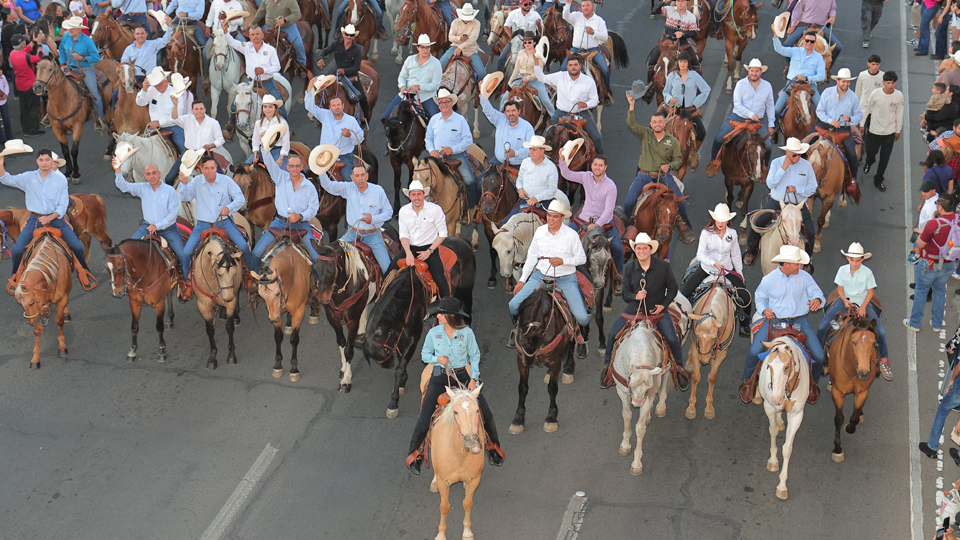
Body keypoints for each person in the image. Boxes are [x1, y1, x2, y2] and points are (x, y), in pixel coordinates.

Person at [405, 296, 503, 475]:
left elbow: (474, 356)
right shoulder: (434, 333)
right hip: (439, 377)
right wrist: (436, 359)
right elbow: (425, 353)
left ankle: (492, 447)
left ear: (450, 316)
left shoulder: (467, 333)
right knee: (424, 417)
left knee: (485, 412)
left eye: (441, 314)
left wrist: (473, 379)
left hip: (462, 376)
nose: (438, 316)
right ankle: (415, 454)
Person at [1, 148, 97, 289]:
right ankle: (16, 276)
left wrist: (50, 218)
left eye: (47, 160)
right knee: (17, 250)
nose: (44, 163)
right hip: (35, 219)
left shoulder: (60, 179)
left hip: (56, 219)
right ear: (37, 162)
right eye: (41, 160)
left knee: (77, 245)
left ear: (52, 161)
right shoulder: (28, 177)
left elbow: (63, 205)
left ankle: (83, 272)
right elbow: (6, 179)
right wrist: (1, 162)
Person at [601, 233, 685, 389]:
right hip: (634, 309)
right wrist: (636, 295)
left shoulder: (663, 266)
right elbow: (625, 294)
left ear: (651, 249)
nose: (641, 251)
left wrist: (663, 305)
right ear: (635, 250)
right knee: (612, 335)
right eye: (638, 248)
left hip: (656, 310)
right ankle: (608, 368)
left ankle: (679, 368)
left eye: (644, 248)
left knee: (673, 339)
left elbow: (673, 289)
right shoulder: (629, 268)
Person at [507, 199, 590, 357]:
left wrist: (563, 261)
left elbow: (582, 259)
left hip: (565, 278)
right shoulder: (540, 232)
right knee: (513, 305)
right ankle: (518, 328)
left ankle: (581, 338)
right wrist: (522, 280)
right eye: (549, 216)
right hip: (540, 276)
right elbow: (532, 257)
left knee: (582, 317)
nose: (551, 219)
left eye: (555, 217)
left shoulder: (571, 235)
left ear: (561, 218)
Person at [742, 245, 825, 391]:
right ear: (786, 264)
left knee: (819, 356)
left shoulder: (805, 277)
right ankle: (748, 382)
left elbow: (818, 294)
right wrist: (764, 310)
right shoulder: (769, 279)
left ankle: (812, 385)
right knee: (754, 351)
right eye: (796, 263)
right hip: (775, 321)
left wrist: (817, 300)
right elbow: (760, 298)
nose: (800, 266)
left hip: (800, 321)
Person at [815, 242, 890, 379]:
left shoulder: (868, 273)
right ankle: (820, 357)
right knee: (822, 326)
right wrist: (844, 301)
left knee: (881, 331)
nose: (854, 263)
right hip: (844, 302)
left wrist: (862, 307)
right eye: (852, 260)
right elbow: (839, 289)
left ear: (862, 259)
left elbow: (870, 292)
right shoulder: (842, 270)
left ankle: (884, 360)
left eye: (857, 260)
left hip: (863, 303)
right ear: (847, 259)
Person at [680, 203, 752, 337]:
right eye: (719, 219)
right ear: (714, 219)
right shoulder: (706, 233)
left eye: (724, 220)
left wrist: (740, 273)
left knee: (745, 296)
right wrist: (714, 263)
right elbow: (700, 254)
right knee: (684, 293)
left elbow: (736, 255)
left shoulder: (732, 234)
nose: (721, 223)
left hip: (727, 270)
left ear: (728, 220)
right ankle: (683, 320)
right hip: (707, 269)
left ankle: (744, 324)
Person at [623, 100, 693, 235]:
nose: (657, 124)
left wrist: (670, 166)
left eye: (660, 122)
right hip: (644, 176)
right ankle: (625, 228)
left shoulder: (672, 141)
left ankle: (685, 229)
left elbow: (678, 160)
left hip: (664, 176)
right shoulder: (645, 134)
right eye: (654, 122)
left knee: (682, 203)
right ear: (651, 124)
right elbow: (631, 124)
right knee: (629, 202)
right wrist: (631, 106)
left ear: (664, 124)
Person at [743, 137, 819, 263]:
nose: (798, 158)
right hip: (777, 202)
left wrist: (797, 189)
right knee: (757, 222)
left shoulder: (806, 166)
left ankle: (808, 259)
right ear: (787, 153)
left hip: (797, 205)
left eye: (799, 154)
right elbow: (770, 184)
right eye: (794, 155)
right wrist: (783, 169)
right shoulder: (776, 163)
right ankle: (752, 249)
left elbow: (813, 187)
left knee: (810, 231)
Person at [178, 155, 251, 284]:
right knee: (186, 252)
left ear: (216, 168)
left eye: (212, 168)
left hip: (225, 222)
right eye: (206, 168)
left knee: (243, 246)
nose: (210, 171)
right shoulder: (196, 181)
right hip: (202, 224)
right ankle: (187, 282)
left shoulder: (226, 181)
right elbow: (185, 197)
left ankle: (250, 275)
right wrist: (183, 184)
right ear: (201, 169)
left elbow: (240, 199)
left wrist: (229, 207)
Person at [112, 156, 186, 277]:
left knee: (183, 255)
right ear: (145, 176)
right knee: (127, 251)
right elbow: (124, 187)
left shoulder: (169, 191)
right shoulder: (142, 188)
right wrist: (118, 171)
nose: (152, 176)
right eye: (148, 174)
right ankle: (129, 280)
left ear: (159, 174)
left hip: (167, 229)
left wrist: (157, 226)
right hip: (146, 227)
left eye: (154, 173)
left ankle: (186, 280)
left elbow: (173, 214)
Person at [318, 159, 393, 272]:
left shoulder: (378, 190)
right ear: (352, 178)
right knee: (333, 257)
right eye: (357, 175)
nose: (360, 178)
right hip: (352, 233)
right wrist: (321, 170)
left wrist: (373, 219)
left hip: (372, 235)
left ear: (367, 176)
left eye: (363, 175)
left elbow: (389, 212)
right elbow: (329, 186)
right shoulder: (348, 188)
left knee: (387, 268)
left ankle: (386, 288)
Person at [252, 152, 320, 270]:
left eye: (297, 166)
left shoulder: (309, 187)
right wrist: (264, 146)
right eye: (291, 166)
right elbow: (269, 162)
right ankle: (255, 281)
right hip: (279, 222)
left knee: (316, 257)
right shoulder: (280, 177)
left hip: (301, 225)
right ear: (287, 167)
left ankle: (316, 283)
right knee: (256, 253)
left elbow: (314, 209)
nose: (294, 169)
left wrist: (300, 216)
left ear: (301, 167)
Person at [559, 154, 622, 280]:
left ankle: (619, 276)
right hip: (583, 219)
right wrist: (562, 160)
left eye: (600, 165)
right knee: (564, 240)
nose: (597, 168)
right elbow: (567, 174)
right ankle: (561, 271)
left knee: (618, 248)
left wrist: (597, 224)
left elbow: (608, 210)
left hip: (604, 223)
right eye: (595, 164)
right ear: (592, 165)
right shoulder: (585, 176)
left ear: (605, 167)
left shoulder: (611, 186)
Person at [905, 194, 959, 333]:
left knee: (921, 291)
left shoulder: (934, 223)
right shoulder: (958, 220)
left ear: (940, 207)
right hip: (948, 264)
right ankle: (936, 324)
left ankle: (915, 323)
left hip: (930, 263)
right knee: (940, 292)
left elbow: (920, 243)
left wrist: (917, 240)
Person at [388, 180, 450, 298]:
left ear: (423, 194)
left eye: (419, 194)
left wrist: (430, 251)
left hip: (428, 249)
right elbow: (404, 235)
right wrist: (408, 253)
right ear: (409, 196)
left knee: (440, 281)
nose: (417, 197)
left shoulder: (435, 209)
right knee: (387, 276)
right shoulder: (404, 211)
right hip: (408, 248)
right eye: (413, 194)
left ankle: (447, 310)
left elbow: (443, 233)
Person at [708, 58, 775, 164]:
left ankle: (764, 169)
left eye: (756, 71)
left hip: (758, 121)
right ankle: (713, 160)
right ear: (748, 71)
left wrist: (771, 124)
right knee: (719, 138)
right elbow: (737, 104)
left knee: (769, 146)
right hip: (738, 117)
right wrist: (751, 114)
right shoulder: (740, 84)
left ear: (761, 72)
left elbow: (770, 106)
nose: (754, 73)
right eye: (752, 71)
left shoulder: (767, 86)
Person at [535, 55, 603, 154]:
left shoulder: (588, 81)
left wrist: (586, 104)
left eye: (575, 65)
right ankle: (540, 159)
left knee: (596, 137)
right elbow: (541, 78)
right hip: (560, 112)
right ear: (567, 67)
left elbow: (595, 100)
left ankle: (600, 161)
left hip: (581, 113)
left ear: (580, 66)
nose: (573, 67)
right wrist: (536, 64)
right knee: (546, 136)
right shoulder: (560, 76)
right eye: (570, 65)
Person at [222, 21, 285, 118]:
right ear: (250, 37)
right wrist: (225, 31)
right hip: (249, 82)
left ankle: (287, 127)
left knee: (279, 105)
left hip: (267, 83)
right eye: (253, 35)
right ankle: (230, 127)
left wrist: (264, 70)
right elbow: (232, 42)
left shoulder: (270, 49)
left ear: (262, 35)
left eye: (257, 34)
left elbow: (277, 67)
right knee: (235, 105)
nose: (255, 36)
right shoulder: (246, 47)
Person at [426, 88, 477, 206]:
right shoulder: (434, 120)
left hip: (457, 156)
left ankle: (472, 208)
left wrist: (452, 149)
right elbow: (428, 138)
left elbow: (468, 140)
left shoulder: (460, 120)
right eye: (441, 102)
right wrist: (432, 150)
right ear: (438, 105)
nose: (444, 105)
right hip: (438, 157)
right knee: (425, 181)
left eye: (446, 102)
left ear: (451, 103)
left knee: (469, 181)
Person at [815, 68, 863, 182]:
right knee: (805, 144)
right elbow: (820, 111)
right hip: (824, 125)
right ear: (837, 81)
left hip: (843, 130)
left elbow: (859, 115)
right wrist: (831, 121)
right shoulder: (827, 92)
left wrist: (850, 119)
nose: (846, 84)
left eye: (847, 82)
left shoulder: (853, 97)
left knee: (852, 154)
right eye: (843, 81)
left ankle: (853, 181)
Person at [316, 24, 370, 122]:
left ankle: (365, 119)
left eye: (351, 35)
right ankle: (318, 115)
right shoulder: (336, 44)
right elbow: (325, 51)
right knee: (321, 90)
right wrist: (320, 58)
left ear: (354, 36)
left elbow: (356, 67)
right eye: (347, 34)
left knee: (361, 97)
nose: (349, 37)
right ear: (343, 34)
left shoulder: (357, 49)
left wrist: (344, 71)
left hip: (351, 76)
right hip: (336, 74)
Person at [58, 16, 105, 131]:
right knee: (56, 86)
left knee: (94, 93)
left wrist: (82, 58)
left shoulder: (88, 41)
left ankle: (100, 118)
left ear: (79, 29)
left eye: (72, 28)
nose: (70, 30)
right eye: (69, 28)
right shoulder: (66, 37)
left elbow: (96, 57)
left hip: (85, 69)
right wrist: (62, 64)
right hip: (68, 67)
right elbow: (61, 51)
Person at [860, 71, 903, 192]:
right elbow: (867, 109)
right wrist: (862, 124)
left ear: (896, 82)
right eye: (888, 83)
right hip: (874, 131)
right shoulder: (876, 93)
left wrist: (897, 130)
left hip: (889, 132)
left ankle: (878, 179)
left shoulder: (899, 96)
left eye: (892, 83)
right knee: (871, 152)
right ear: (883, 82)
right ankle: (869, 161)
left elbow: (899, 113)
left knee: (885, 158)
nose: (890, 85)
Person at [382, 34, 442, 119]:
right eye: (423, 47)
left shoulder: (436, 63)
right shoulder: (409, 59)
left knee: (436, 120)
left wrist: (420, 87)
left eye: (427, 47)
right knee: (386, 117)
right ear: (418, 48)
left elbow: (436, 85)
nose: (425, 50)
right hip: (406, 95)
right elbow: (402, 76)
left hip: (426, 97)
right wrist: (402, 86)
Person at [168, 95, 224, 185]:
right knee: (169, 178)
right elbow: (174, 119)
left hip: (205, 154)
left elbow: (220, 140)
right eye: (196, 109)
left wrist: (210, 145)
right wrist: (175, 105)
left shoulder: (213, 123)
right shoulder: (187, 119)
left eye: (201, 109)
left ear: (205, 109)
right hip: (188, 154)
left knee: (221, 180)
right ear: (192, 110)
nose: (199, 111)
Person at [136, 67, 183, 171]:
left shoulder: (176, 93)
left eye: (160, 84)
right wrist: (144, 89)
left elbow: (177, 116)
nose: (158, 87)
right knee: (139, 149)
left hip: (172, 127)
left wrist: (159, 122)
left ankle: (183, 172)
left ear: (166, 81)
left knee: (185, 150)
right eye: (156, 85)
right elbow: (140, 102)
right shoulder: (152, 90)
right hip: (153, 127)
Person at [772, 27, 826, 117]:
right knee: (776, 109)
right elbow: (780, 49)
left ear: (815, 43)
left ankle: (821, 130)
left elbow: (821, 76)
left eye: (812, 41)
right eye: (807, 40)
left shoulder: (818, 57)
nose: (809, 43)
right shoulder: (795, 51)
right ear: (803, 40)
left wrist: (806, 78)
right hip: (792, 84)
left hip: (809, 86)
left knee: (821, 110)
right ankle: (773, 130)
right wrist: (775, 36)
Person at [563, 0, 610, 102]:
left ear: (592, 6)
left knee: (604, 69)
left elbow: (605, 36)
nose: (585, 8)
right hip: (576, 50)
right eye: (583, 6)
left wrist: (593, 32)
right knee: (563, 68)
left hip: (593, 50)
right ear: (581, 7)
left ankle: (607, 92)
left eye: (587, 5)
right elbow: (565, 16)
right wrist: (567, 4)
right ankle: (559, 92)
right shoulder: (576, 16)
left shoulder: (599, 20)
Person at [304, 89, 363, 169]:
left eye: (338, 105)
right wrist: (309, 90)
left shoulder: (351, 120)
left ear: (343, 106)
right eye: (334, 105)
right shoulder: (325, 115)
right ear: (330, 108)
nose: (336, 107)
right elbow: (309, 107)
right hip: (324, 155)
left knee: (348, 180)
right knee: (307, 172)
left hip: (343, 156)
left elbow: (360, 139)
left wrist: (350, 135)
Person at [503, 135, 557, 221]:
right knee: (506, 224)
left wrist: (536, 198)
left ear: (542, 151)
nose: (531, 152)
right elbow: (519, 179)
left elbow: (552, 189)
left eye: (534, 150)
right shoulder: (525, 162)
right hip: (525, 201)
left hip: (543, 204)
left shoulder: (551, 167)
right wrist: (520, 189)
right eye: (530, 149)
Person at [479, 85, 535, 167]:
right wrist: (482, 93)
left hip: (518, 164)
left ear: (519, 111)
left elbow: (530, 149)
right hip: (498, 161)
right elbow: (488, 110)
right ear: (505, 112)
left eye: (513, 111)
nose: (511, 113)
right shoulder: (500, 119)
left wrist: (515, 153)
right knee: (482, 179)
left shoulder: (527, 127)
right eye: (508, 111)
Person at [661, 50, 710, 145]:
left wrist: (695, 103)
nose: (683, 64)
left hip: (689, 110)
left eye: (685, 62)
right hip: (673, 108)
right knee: (654, 127)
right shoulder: (672, 76)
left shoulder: (694, 76)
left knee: (701, 132)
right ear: (677, 63)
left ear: (688, 63)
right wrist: (670, 98)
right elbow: (666, 91)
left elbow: (706, 89)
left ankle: (694, 154)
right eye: (681, 62)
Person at [507, 30, 555, 117]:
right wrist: (510, 82)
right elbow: (516, 69)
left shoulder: (538, 54)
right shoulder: (521, 53)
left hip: (535, 80)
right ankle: (502, 118)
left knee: (546, 101)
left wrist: (528, 78)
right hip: (520, 78)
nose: (527, 44)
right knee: (506, 97)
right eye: (525, 42)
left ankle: (554, 118)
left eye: (529, 42)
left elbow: (539, 71)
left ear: (534, 43)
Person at [118, 24, 173, 96]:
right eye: (137, 34)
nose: (140, 36)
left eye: (142, 33)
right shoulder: (129, 49)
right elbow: (123, 64)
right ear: (134, 35)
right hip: (134, 79)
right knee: (115, 96)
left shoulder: (153, 44)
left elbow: (165, 40)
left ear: (146, 34)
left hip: (150, 79)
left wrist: (169, 26)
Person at [252, 0, 307, 72]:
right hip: (269, 26)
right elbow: (261, 11)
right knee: (257, 42)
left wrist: (285, 19)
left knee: (298, 44)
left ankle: (301, 63)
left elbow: (297, 14)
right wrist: (253, 23)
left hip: (287, 26)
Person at [648, 0, 699, 74]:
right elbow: (655, 10)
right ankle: (649, 83)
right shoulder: (669, 10)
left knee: (695, 63)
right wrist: (663, 1)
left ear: (686, 2)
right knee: (652, 60)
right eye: (678, 1)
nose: (680, 3)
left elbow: (693, 33)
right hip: (667, 40)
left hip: (683, 42)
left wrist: (683, 34)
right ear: (675, 2)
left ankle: (695, 82)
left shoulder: (691, 16)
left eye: (682, 1)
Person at [8, 32, 42, 136]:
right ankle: (33, 129)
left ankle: (26, 129)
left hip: (20, 85)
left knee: (24, 107)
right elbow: (40, 57)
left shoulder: (12, 53)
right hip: (30, 85)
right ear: (22, 44)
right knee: (33, 107)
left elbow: (25, 51)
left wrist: (33, 42)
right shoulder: (26, 57)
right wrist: (39, 44)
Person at [438, 3, 484, 80]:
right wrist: (459, 38)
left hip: (470, 49)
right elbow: (450, 37)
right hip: (455, 47)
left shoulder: (476, 23)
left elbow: (473, 38)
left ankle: (480, 90)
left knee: (481, 71)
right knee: (440, 64)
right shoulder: (455, 22)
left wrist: (460, 47)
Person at [496, 0, 542, 72]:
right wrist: (512, 38)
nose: (528, 6)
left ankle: (542, 77)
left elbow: (541, 31)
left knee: (540, 58)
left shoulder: (536, 15)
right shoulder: (513, 13)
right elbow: (506, 26)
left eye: (530, 4)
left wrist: (539, 25)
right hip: (515, 41)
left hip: (530, 42)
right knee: (501, 58)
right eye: (526, 4)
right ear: (520, 4)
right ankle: (500, 77)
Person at [249, 95, 290, 166]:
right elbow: (255, 140)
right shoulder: (258, 123)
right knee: (245, 167)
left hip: (277, 151)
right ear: (262, 109)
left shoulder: (282, 122)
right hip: (262, 151)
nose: (267, 110)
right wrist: (255, 154)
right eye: (265, 107)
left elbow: (286, 142)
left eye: (270, 107)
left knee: (283, 170)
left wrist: (281, 157)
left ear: (275, 108)